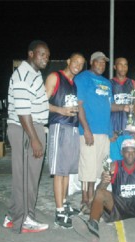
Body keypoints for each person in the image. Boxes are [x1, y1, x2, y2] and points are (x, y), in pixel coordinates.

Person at [3, 40, 50, 233]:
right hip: (26, 129)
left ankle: (13, 215)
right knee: (26, 178)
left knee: (27, 177)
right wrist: (34, 139)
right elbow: (23, 112)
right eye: (42, 55)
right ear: (31, 54)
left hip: (31, 128)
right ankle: (25, 220)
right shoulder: (23, 76)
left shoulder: (34, 74)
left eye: (47, 56)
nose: (45, 59)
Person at [72, 139, 135, 242]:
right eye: (127, 151)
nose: (130, 155)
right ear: (122, 153)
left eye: (133, 152)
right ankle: (92, 226)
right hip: (119, 206)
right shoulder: (114, 166)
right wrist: (103, 181)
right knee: (100, 193)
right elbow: (100, 190)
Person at [45, 52, 86, 229]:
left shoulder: (73, 85)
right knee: (59, 171)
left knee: (68, 171)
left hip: (72, 128)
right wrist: (61, 111)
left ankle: (64, 203)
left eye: (81, 63)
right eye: (75, 61)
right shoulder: (55, 77)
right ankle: (59, 211)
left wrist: (75, 109)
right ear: (68, 61)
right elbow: (41, 102)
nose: (78, 65)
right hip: (59, 127)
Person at [75, 51, 113, 214]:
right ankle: (86, 199)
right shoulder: (82, 78)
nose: (102, 65)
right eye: (99, 62)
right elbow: (79, 105)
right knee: (88, 167)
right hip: (89, 131)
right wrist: (86, 130)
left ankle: (94, 197)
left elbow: (109, 107)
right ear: (91, 62)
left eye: (104, 63)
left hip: (104, 132)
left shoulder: (107, 83)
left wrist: (110, 131)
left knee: (99, 167)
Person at [109, 57, 135, 161]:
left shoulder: (133, 84)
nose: (123, 67)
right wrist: (109, 131)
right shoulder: (108, 84)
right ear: (114, 66)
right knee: (115, 163)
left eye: (125, 65)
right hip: (114, 131)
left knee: (134, 163)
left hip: (130, 131)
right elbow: (104, 108)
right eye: (120, 64)